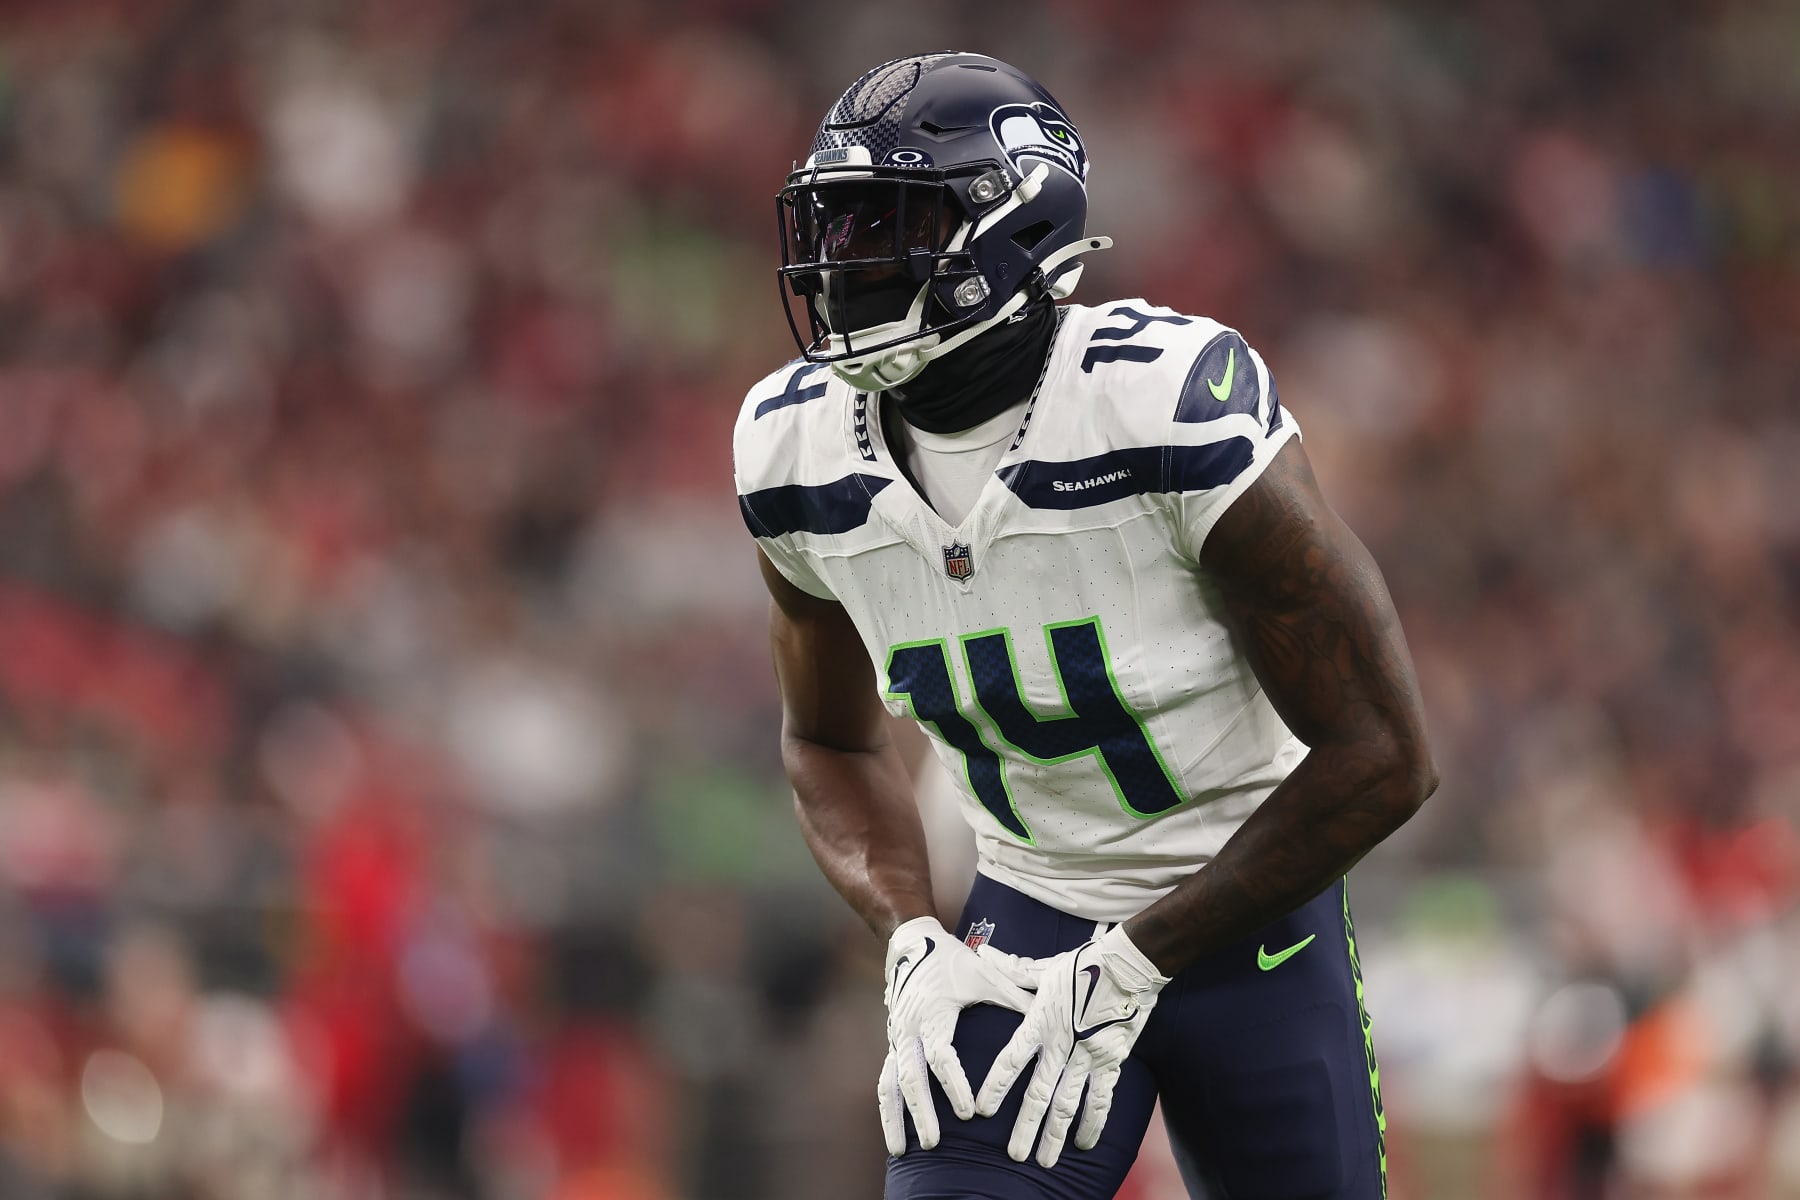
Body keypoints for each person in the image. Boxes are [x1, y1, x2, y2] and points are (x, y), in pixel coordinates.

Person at [733, 51, 1437, 1200]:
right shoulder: (790, 446)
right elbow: (829, 742)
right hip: (1026, 919)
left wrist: (1138, 959)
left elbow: (1386, 754)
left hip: (1251, 925)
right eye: (832, 223)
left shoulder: (1158, 402)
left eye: (882, 223)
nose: (837, 261)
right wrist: (913, 935)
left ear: (1010, 232)